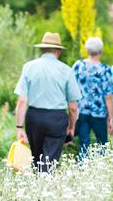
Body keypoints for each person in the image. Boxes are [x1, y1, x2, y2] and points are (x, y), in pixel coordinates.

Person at [14, 32, 81, 172]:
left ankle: (37, 188)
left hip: (34, 117)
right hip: (56, 119)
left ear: (43, 49)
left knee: (37, 160)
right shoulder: (66, 70)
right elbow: (73, 107)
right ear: (58, 51)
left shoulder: (29, 67)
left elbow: (22, 101)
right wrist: (71, 127)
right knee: (48, 162)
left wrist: (19, 127)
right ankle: (44, 188)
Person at [72, 37, 113, 158]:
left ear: (87, 50)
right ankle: (102, 169)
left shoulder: (78, 66)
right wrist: (111, 119)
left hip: (81, 111)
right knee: (102, 144)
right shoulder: (105, 69)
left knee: (83, 144)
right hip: (99, 113)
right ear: (101, 51)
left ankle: (82, 169)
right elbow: (109, 96)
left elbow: (71, 89)